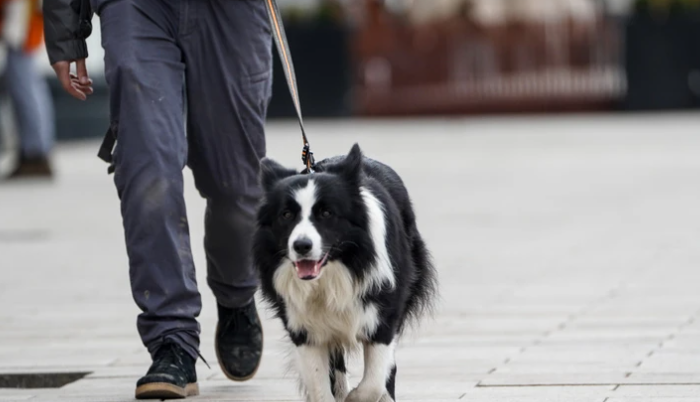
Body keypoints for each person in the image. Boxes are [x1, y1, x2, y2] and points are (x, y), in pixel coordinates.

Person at [43, 0, 272, 398]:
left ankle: (236, 290)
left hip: (231, 13)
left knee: (237, 186)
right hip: (135, 8)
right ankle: (171, 337)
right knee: (147, 169)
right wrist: (66, 32)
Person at [2, 0, 56, 179]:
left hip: (22, 18)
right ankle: (34, 150)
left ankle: (34, 152)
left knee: (24, 86)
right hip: (23, 17)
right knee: (26, 84)